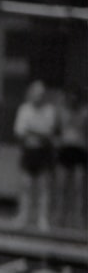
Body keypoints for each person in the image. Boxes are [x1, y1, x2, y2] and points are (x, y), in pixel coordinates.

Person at [13, 80, 58, 230]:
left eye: (42, 94)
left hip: (43, 152)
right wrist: (37, 132)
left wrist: (32, 131)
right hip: (29, 151)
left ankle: (42, 219)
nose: (39, 97)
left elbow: (49, 133)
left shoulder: (49, 110)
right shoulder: (24, 109)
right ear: (31, 94)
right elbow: (19, 132)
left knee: (43, 187)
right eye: (37, 94)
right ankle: (23, 217)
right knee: (25, 186)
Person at [55, 85, 87, 229]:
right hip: (65, 150)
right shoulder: (62, 112)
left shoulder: (85, 113)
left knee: (78, 187)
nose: (73, 100)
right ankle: (61, 217)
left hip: (79, 150)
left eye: (76, 98)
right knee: (62, 186)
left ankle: (78, 218)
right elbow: (57, 130)